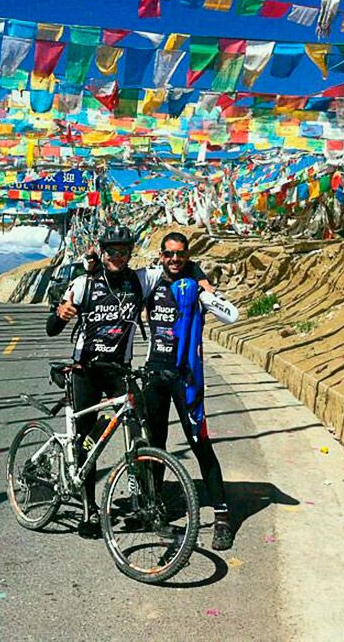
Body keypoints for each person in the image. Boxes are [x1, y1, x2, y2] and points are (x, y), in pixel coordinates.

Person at [46, 224, 148, 539]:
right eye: (112, 251)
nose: (118, 256)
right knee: (86, 440)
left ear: (131, 253)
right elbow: (52, 328)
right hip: (85, 371)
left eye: (124, 251)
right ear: (102, 253)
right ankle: (89, 511)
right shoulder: (82, 284)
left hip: (119, 370)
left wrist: (200, 278)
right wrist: (60, 314)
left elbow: (178, 265)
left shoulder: (139, 280)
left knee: (138, 429)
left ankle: (141, 501)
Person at [141, 231, 235, 551]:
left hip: (187, 377)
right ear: (161, 255)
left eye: (181, 254)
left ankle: (222, 516)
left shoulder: (198, 288)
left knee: (200, 442)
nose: (175, 259)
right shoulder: (151, 282)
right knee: (154, 444)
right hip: (155, 373)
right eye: (169, 254)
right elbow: (122, 281)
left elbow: (229, 314)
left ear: (188, 255)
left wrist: (202, 281)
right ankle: (155, 508)